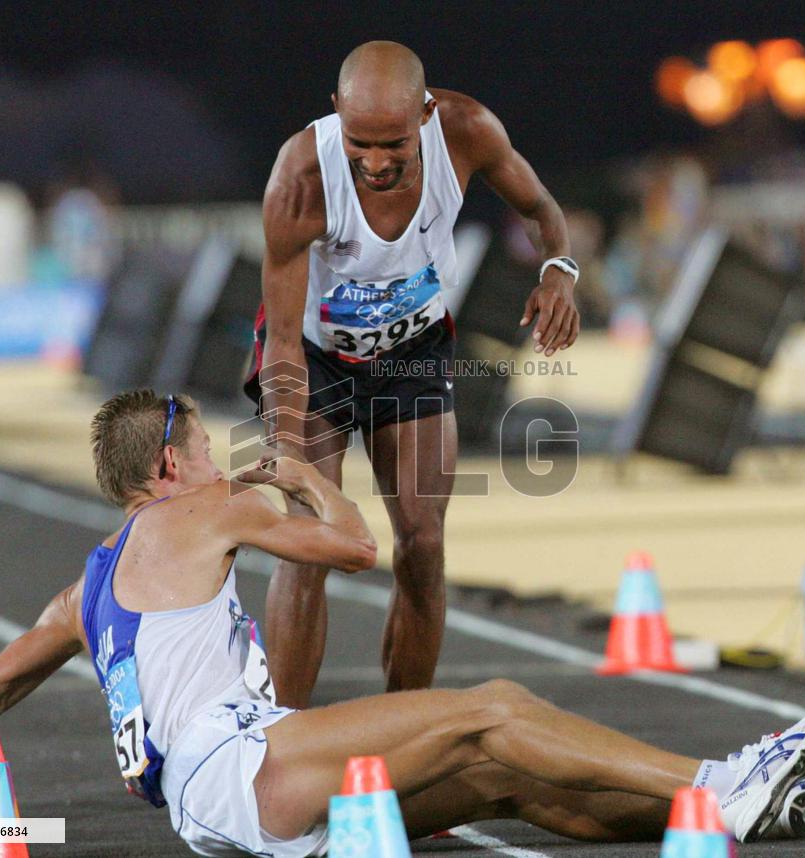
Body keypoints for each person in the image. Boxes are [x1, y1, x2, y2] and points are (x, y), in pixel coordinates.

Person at [0, 390, 805, 856]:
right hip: (246, 764)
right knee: (493, 707)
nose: (215, 457)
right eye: (198, 444)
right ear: (167, 468)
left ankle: (741, 820)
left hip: (211, 810)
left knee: (502, 780)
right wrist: (304, 478)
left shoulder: (81, 591)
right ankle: (722, 781)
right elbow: (353, 550)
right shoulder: (204, 508)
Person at [243, 41, 584, 708]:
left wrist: (558, 272)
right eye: (358, 143)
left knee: (424, 547)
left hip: (414, 352)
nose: (373, 163)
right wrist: (287, 449)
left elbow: (546, 215)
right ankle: (278, 752)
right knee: (311, 545)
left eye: (393, 145)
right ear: (335, 112)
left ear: (426, 115)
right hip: (315, 359)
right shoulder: (301, 178)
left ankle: (405, 747)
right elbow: (280, 338)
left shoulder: (468, 132)